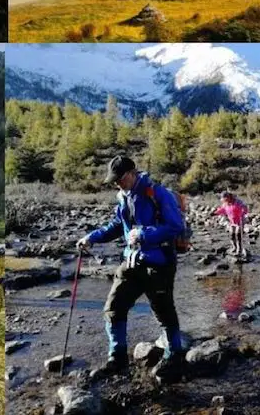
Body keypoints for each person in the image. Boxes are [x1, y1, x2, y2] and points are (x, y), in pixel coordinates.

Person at [76, 155, 187, 385]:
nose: (117, 183)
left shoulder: (157, 193)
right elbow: (118, 226)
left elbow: (176, 225)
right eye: (114, 180)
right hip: (132, 262)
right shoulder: (123, 196)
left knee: (164, 312)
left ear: (132, 173)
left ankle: (174, 357)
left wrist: (145, 233)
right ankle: (117, 359)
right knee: (114, 308)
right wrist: (91, 238)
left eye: (120, 179)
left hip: (160, 263)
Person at [215, 191, 248, 259]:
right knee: (232, 235)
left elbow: (245, 208)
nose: (224, 200)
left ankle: (240, 249)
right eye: (223, 199)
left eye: (225, 198)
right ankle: (234, 247)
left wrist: (243, 211)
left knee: (238, 235)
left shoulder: (237, 202)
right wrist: (215, 213)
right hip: (232, 222)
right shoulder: (225, 204)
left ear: (229, 197)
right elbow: (222, 210)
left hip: (239, 220)